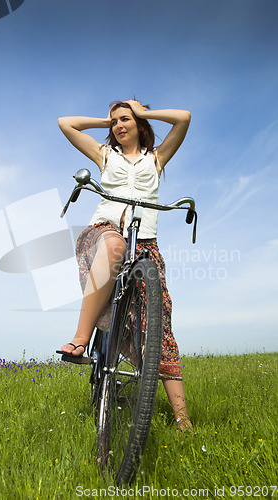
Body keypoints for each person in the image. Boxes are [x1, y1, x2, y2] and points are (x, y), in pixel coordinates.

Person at [58, 99, 192, 431]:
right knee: (115, 244)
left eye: (125, 120)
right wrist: (105, 122)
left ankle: (183, 419)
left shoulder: (157, 158)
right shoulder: (106, 156)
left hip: (145, 243)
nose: (119, 125)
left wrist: (143, 112)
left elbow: (184, 118)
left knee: (159, 327)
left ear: (139, 124)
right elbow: (66, 123)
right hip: (106, 232)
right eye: (115, 121)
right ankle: (79, 339)